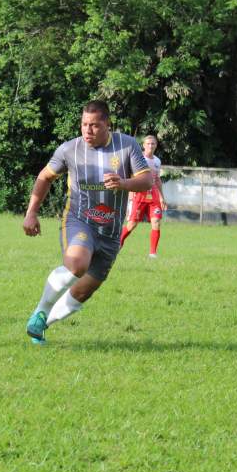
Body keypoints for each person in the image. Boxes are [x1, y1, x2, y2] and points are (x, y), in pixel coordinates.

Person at [22, 100, 153, 344]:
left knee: (83, 290)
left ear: (107, 124)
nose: (87, 130)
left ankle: (41, 325)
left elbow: (147, 180)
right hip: (79, 220)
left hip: (111, 233)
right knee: (77, 264)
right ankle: (40, 310)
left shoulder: (126, 146)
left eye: (94, 125)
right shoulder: (69, 149)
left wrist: (123, 183)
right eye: (84, 124)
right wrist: (31, 212)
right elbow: (44, 176)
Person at [119, 135, 166, 257]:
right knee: (132, 225)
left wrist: (162, 197)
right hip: (139, 194)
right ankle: (118, 243)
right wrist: (130, 190)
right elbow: (130, 176)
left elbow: (157, 179)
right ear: (144, 145)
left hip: (153, 195)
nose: (150, 146)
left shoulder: (157, 161)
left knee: (156, 222)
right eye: (148, 143)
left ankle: (152, 253)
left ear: (156, 145)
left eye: (153, 144)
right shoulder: (138, 159)